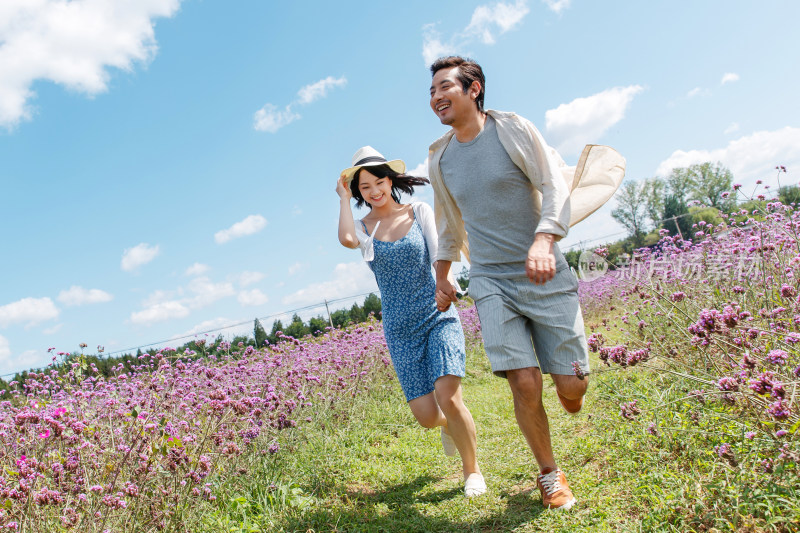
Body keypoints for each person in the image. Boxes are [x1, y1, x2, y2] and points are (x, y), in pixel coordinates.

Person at [427, 56, 590, 511]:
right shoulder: (440, 156)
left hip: (545, 269)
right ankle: (550, 474)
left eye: (445, 87)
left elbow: (553, 184)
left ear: (473, 88)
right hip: (491, 280)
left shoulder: (512, 129)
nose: (437, 98)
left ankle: (570, 389)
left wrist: (543, 240)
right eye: (432, 92)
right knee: (523, 382)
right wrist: (443, 274)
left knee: (572, 389)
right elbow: (447, 222)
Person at [336, 146, 486, 497]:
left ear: (391, 180)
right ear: (358, 192)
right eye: (365, 187)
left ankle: (472, 471)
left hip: (437, 314)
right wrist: (342, 197)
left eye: (379, 181)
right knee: (427, 416)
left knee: (449, 396)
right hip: (400, 329)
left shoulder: (418, 211)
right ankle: (452, 428)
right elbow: (345, 239)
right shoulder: (364, 229)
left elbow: (439, 254)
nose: (375, 191)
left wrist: (444, 284)